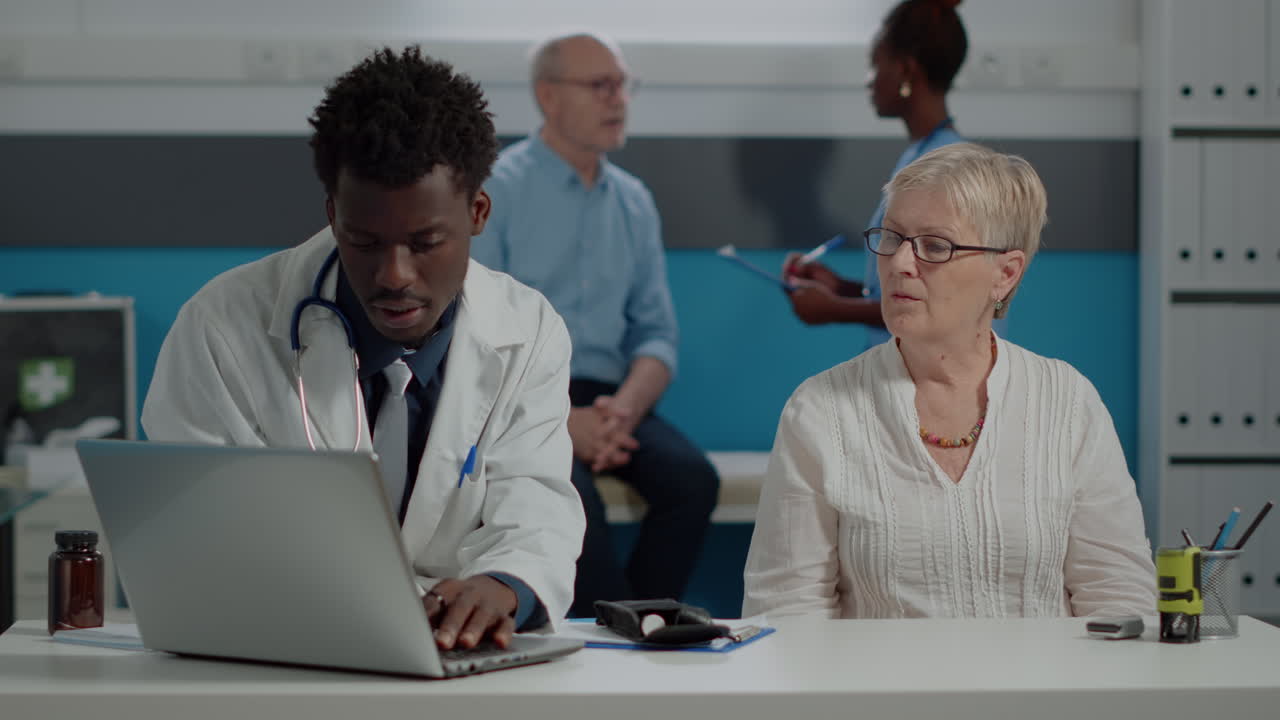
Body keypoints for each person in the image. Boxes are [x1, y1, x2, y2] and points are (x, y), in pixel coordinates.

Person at [141, 47, 585, 649]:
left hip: (456, 650)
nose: (394, 275)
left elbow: (535, 503)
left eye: (426, 242)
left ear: (477, 212)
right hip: (276, 650)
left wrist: (503, 585)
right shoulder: (222, 327)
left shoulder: (527, 331)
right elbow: (189, 535)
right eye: (364, 241)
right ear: (332, 214)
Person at [743, 143, 1156, 619]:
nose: (899, 263)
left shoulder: (1066, 403)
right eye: (891, 237)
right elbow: (785, 613)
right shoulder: (820, 410)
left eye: (935, 246)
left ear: (1005, 274)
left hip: (1041, 692)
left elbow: (1121, 598)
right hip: (879, 694)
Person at [471, 32, 720, 618]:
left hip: (615, 399)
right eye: (599, 85)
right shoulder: (498, 189)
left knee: (692, 482)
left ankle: (638, 624)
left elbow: (657, 335)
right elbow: (480, 336)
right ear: (548, 97)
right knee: (571, 499)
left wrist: (622, 412)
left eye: (622, 84)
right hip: (525, 400)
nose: (618, 99)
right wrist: (560, 420)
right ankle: (629, 637)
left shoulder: (634, 201)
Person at [785, 0, 988, 346]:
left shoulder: (948, 170)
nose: (870, 82)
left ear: (907, 72)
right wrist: (840, 288)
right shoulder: (918, 157)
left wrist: (834, 309)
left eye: (876, 66)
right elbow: (908, 285)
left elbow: (939, 303)